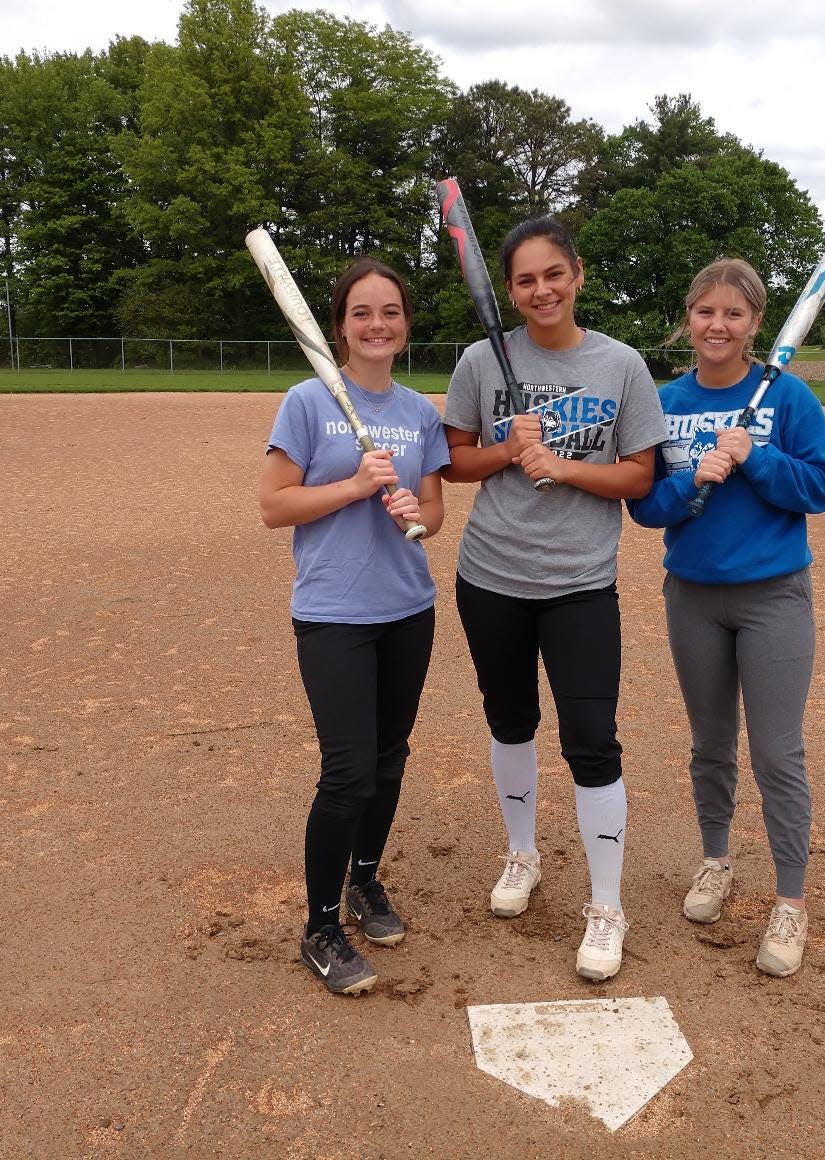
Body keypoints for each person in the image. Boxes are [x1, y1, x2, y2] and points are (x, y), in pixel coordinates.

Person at [442, 216, 666, 981]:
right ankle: (521, 855)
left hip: (579, 583)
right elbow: (455, 464)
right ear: (509, 288)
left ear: (577, 274)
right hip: (492, 576)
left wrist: (564, 468)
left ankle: (607, 904)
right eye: (525, 279)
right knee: (509, 721)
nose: (541, 290)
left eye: (553, 274)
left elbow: (640, 477)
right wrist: (509, 449)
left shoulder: (621, 365)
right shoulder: (481, 359)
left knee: (592, 739)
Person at [627, 258, 825, 978]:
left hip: (773, 595)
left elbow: (821, 488)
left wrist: (758, 459)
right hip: (692, 595)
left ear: (755, 323)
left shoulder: (788, 397)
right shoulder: (664, 401)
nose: (718, 326)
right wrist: (694, 479)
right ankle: (715, 861)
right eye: (705, 312)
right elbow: (647, 507)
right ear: (688, 318)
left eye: (734, 314)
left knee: (778, 752)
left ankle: (790, 900)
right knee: (710, 744)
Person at [259, 258, 449, 994]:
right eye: (363, 312)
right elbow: (275, 507)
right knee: (346, 771)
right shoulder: (307, 402)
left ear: (405, 324)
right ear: (339, 325)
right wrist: (354, 486)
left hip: (407, 607)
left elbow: (431, 514)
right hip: (334, 612)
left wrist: (412, 514)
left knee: (390, 758)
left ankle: (366, 881)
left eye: (391, 312)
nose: (378, 325)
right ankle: (320, 926)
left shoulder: (418, 413)